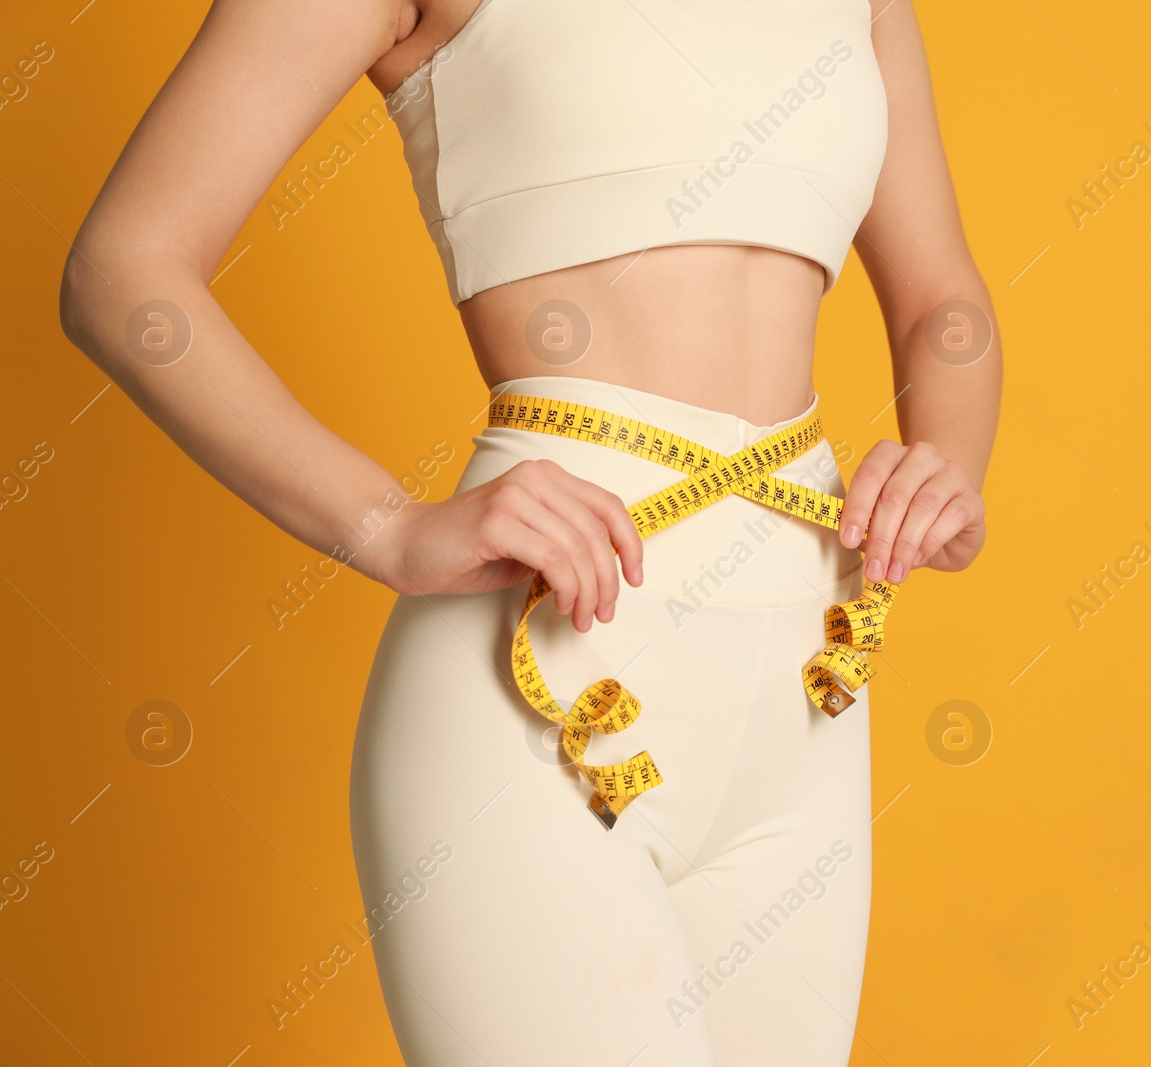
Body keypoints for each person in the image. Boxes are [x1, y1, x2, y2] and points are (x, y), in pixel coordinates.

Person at [59, 0, 1000, 1063]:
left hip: (809, 685)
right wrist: (386, 526)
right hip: (545, 676)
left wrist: (947, 470)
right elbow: (123, 271)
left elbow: (939, 303)